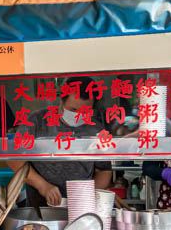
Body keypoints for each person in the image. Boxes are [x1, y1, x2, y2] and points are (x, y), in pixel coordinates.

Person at [8, 77, 112, 207]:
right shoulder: (37, 121)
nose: (79, 115)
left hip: (81, 208)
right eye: (74, 110)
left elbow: (104, 171)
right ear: (61, 101)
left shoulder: (96, 129)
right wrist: (42, 185)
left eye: (85, 111)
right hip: (41, 207)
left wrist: (87, 195)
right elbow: (14, 159)